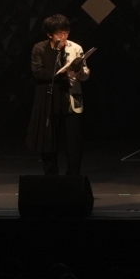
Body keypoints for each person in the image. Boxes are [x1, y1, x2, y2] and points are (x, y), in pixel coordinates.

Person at [27, 14, 90, 175]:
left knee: (73, 141)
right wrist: (59, 73)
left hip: (71, 98)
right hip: (48, 99)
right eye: (59, 33)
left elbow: (85, 76)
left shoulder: (75, 48)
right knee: (48, 141)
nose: (63, 37)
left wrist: (79, 71)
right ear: (50, 34)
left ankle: (73, 176)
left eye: (66, 32)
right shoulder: (40, 48)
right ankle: (51, 177)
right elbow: (37, 72)